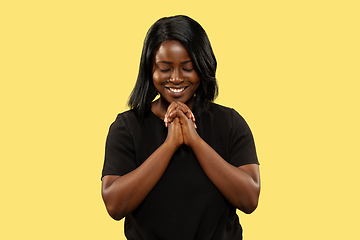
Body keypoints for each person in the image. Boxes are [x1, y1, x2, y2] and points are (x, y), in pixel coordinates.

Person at [101, 15, 260, 240]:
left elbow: (249, 199)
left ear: (203, 67)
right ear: (150, 70)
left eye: (187, 68)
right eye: (165, 68)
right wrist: (169, 145)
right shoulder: (127, 127)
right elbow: (115, 205)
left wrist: (195, 141)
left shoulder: (230, 123)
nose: (176, 78)